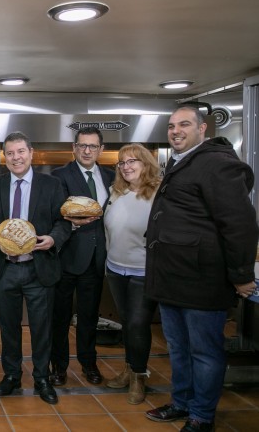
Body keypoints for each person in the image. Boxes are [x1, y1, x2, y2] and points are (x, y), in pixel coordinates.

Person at [144, 106, 258, 432]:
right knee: (178, 348)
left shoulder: (217, 164)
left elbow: (240, 224)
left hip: (201, 279)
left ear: (203, 128)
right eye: (171, 126)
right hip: (171, 278)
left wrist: (241, 274)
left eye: (184, 124)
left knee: (205, 352)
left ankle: (201, 416)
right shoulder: (182, 162)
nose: (175, 131)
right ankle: (181, 402)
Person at [0, 131, 70, 405]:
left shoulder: (52, 185)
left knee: (42, 328)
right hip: (5, 269)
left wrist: (53, 238)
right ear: (4, 157)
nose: (16, 157)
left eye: (21, 151)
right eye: (10, 153)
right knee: (8, 327)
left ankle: (42, 377)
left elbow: (63, 222)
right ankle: (12, 375)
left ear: (31, 153)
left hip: (38, 268)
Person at [49, 126, 115, 386]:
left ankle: (89, 364)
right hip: (67, 257)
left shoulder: (111, 176)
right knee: (61, 318)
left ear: (101, 149)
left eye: (93, 146)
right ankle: (59, 367)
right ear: (74, 148)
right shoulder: (59, 176)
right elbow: (57, 214)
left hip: (97, 260)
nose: (87, 150)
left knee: (89, 317)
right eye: (82, 146)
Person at [103, 143, 160, 404]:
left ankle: (139, 375)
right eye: (122, 163)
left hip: (143, 270)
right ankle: (128, 368)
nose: (126, 167)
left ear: (146, 163)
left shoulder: (158, 194)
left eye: (132, 161)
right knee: (127, 322)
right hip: (115, 268)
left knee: (138, 323)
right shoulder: (116, 192)